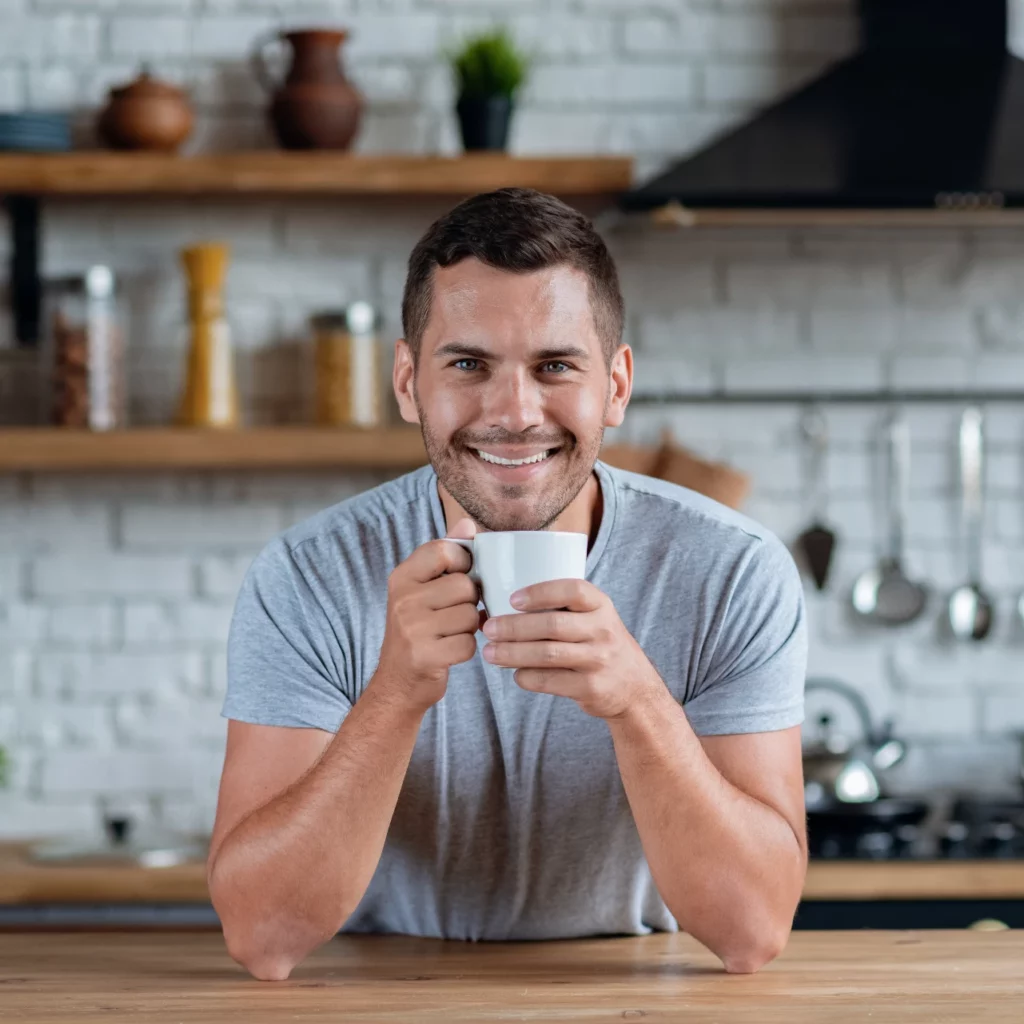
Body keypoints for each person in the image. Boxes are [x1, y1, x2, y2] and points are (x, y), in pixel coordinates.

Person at [208, 188, 808, 982]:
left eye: (555, 365)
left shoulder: (733, 570)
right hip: (383, 997)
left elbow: (752, 931)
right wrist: (395, 692)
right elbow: (262, 935)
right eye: (467, 364)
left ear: (617, 386)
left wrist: (637, 700)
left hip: (629, 995)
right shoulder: (309, 575)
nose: (515, 412)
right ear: (406, 381)